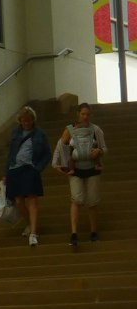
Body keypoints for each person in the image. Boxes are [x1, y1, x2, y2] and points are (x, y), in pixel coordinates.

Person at [54, 102, 107, 250]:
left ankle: (94, 232)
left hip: (92, 167)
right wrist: (61, 165)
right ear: (78, 113)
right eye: (83, 114)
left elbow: (104, 147)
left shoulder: (96, 129)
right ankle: (74, 233)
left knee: (92, 201)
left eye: (88, 114)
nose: (85, 117)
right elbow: (61, 146)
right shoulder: (69, 130)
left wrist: (99, 152)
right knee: (76, 199)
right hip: (75, 169)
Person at [4, 105, 51, 247]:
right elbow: (11, 153)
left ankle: (33, 233)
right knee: (18, 202)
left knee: (32, 200)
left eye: (28, 121)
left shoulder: (40, 134)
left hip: (30, 169)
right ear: (20, 121)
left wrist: (38, 168)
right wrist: (6, 172)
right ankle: (31, 224)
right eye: (23, 121)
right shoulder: (15, 133)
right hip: (14, 169)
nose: (26, 123)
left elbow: (47, 153)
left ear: (33, 120)